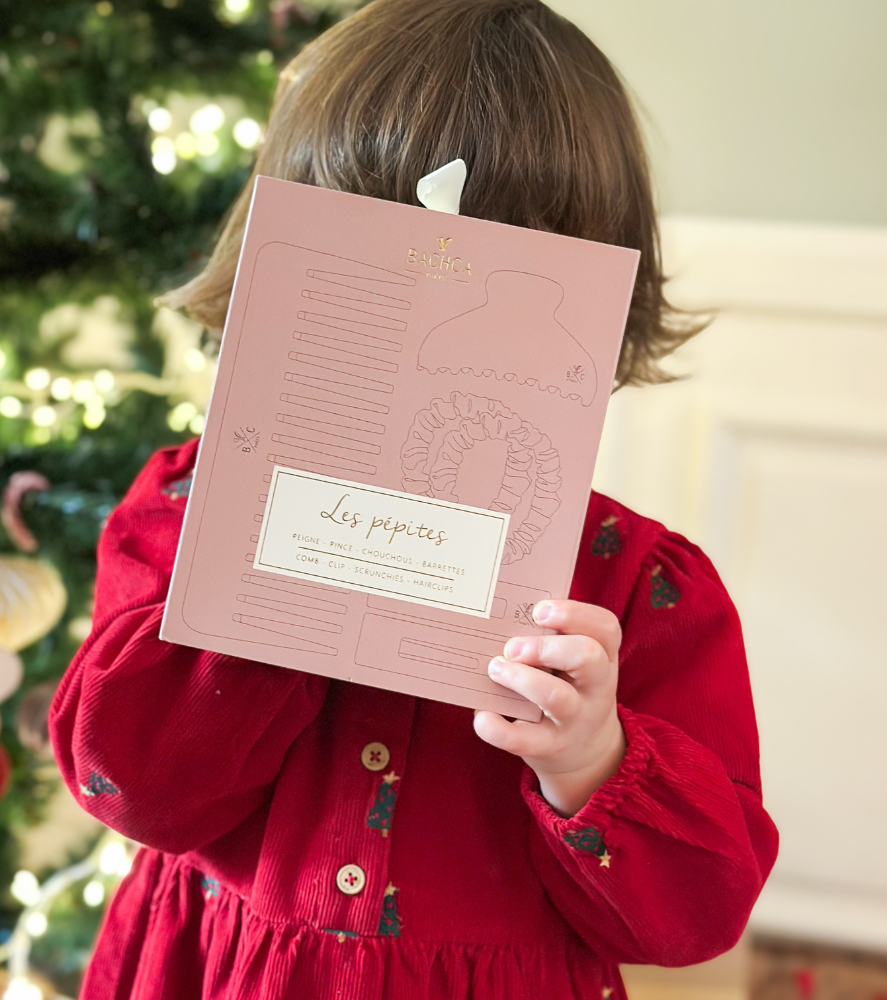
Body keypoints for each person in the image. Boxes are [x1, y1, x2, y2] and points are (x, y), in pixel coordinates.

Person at [50, 1, 778, 997]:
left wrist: (592, 756)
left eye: (509, 281)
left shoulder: (638, 590)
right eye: (372, 268)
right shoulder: (187, 506)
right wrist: (263, 591)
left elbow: (698, 916)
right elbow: (126, 785)